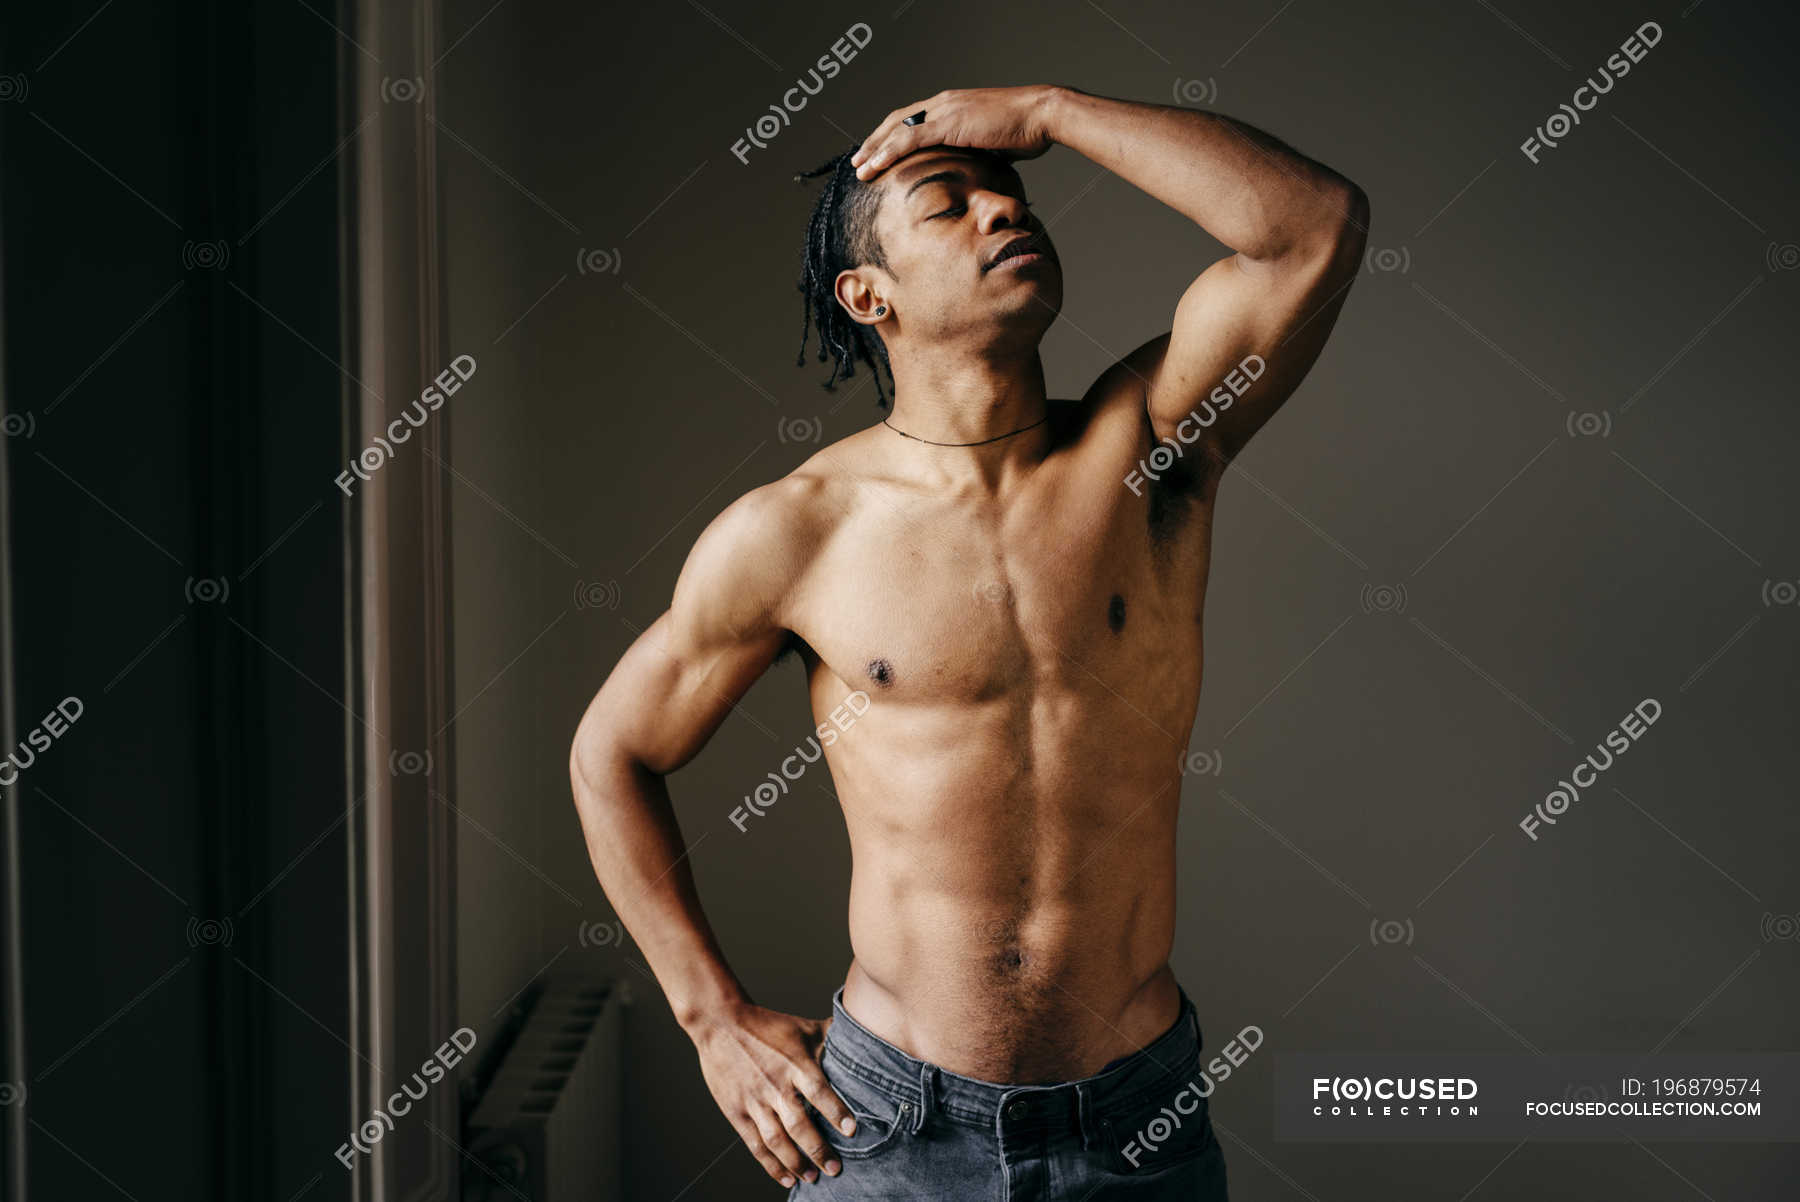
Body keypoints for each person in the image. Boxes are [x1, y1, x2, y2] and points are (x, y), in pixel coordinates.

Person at [569, 83, 1367, 1199]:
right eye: (951, 204)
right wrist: (714, 1019)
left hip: (1136, 1123)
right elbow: (612, 750)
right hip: (890, 1127)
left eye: (1014, 193)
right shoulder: (799, 528)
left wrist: (1048, 113)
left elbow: (1311, 228)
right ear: (867, 294)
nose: (1005, 212)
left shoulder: (1151, 447)